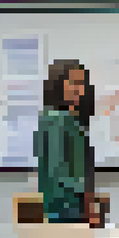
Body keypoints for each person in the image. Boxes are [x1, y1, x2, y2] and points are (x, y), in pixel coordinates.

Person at [35, 59, 100, 227]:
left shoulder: (58, 118)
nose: (79, 89)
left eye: (82, 83)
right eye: (73, 83)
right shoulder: (60, 120)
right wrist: (89, 207)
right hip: (68, 207)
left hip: (62, 206)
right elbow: (67, 174)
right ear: (58, 85)